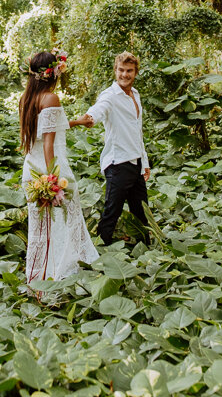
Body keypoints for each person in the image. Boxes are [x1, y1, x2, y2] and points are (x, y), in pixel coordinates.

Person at [20, 50, 99, 284]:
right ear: (53, 72)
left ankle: (37, 276)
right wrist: (51, 179)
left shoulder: (27, 99)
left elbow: (48, 128)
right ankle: (55, 276)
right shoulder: (50, 99)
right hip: (49, 171)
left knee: (39, 229)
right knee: (60, 224)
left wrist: (78, 121)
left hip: (31, 171)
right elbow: (48, 143)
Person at [72, 51, 150, 245]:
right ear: (115, 71)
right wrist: (89, 118)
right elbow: (99, 109)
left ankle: (146, 250)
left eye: (129, 71)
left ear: (135, 72)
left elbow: (137, 133)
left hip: (136, 162)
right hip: (118, 164)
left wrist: (144, 163)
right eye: (121, 70)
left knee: (141, 212)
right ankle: (98, 253)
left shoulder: (135, 94)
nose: (125, 75)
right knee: (111, 213)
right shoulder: (110, 95)